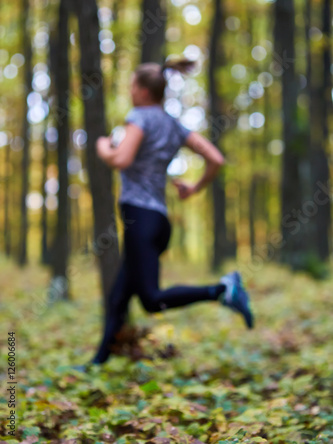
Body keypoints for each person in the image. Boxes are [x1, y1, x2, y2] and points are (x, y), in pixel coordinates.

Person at [74, 59, 254, 372]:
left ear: (143, 91)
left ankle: (223, 289)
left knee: (151, 299)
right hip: (156, 221)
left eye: (132, 86)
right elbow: (215, 158)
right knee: (119, 296)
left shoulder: (139, 117)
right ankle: (98, 364)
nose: (130, 91)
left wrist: (103, 147)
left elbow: (122, 158)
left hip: (140, 219)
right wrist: (193, 188)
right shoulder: (174, 125)